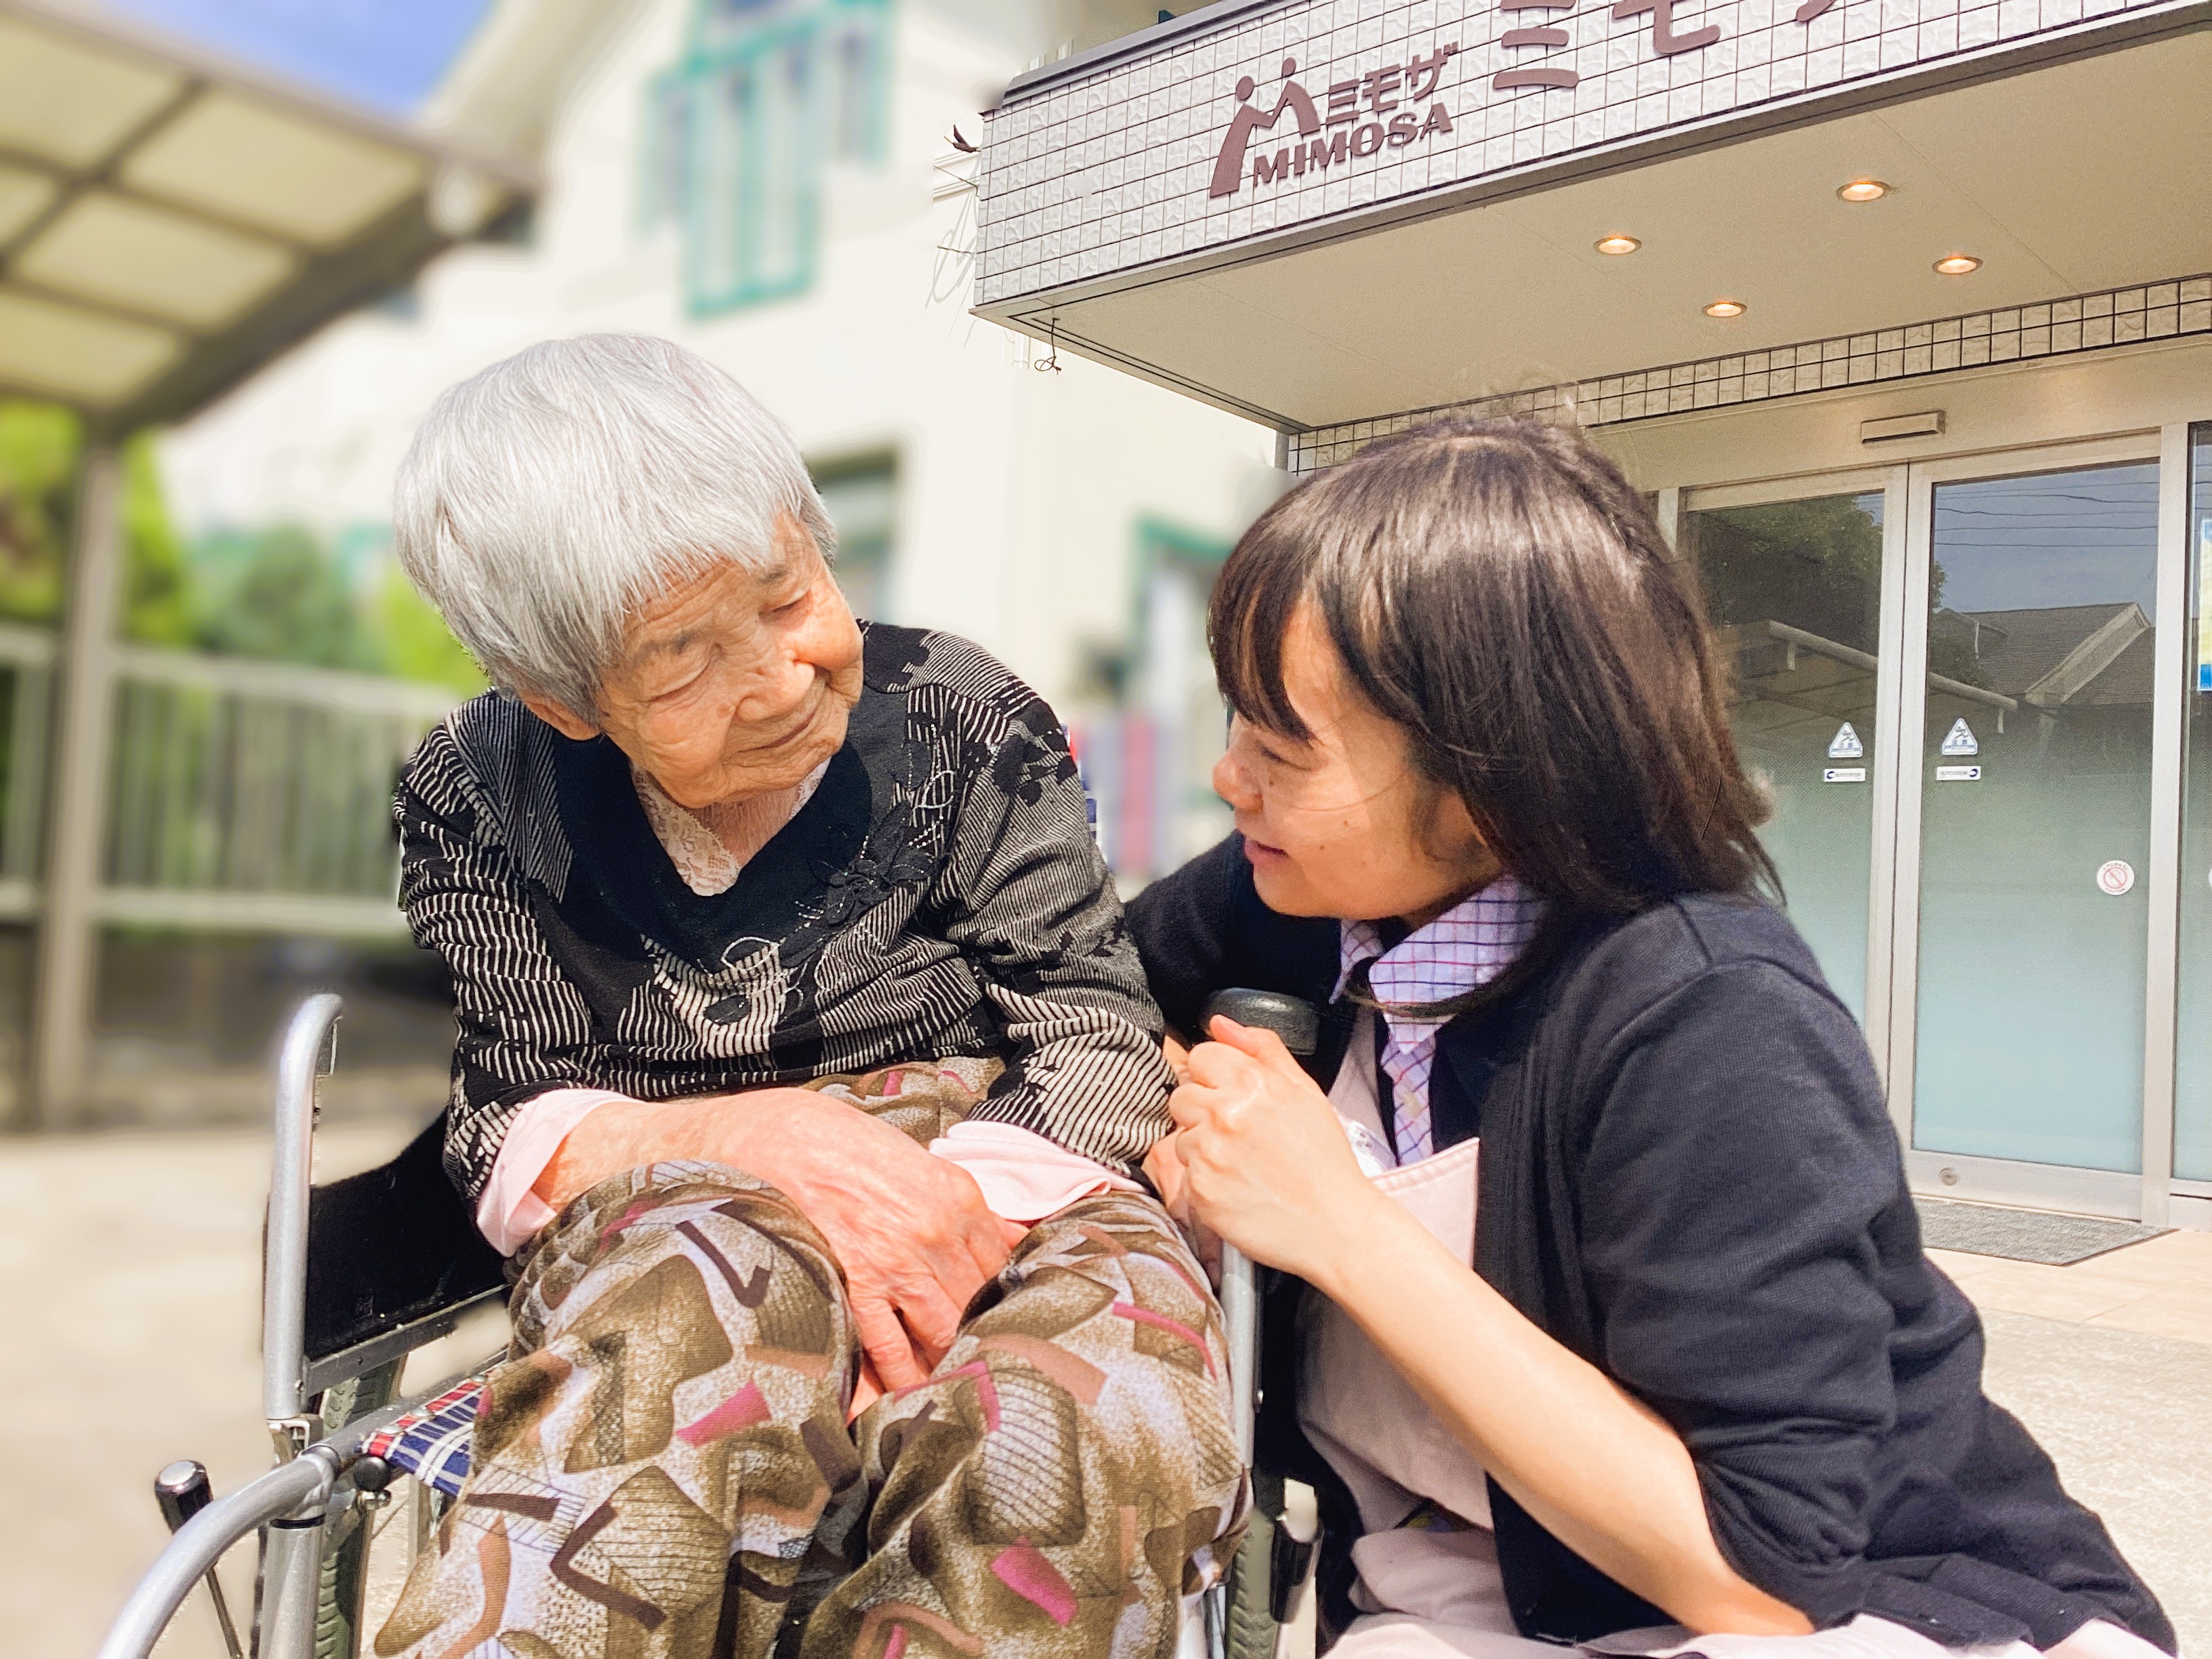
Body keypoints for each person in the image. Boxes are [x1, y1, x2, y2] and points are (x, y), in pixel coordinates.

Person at [1128, 417, 2174, 1659]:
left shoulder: (1705, 1019)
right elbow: (1068, 990)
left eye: (1279, 741)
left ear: (1491, 775)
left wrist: (1341, 1230)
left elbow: (1772, 1578)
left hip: (1891, 1614)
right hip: (1488, 1601)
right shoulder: (1299, 903)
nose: (1229, 775)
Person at [371, 334, 1240, 1659]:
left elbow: (1094, 1026)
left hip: (1008, 1164)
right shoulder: (479, 792)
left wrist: (931, 1215)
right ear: (561, 699)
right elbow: (512, 1116)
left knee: (1066, 1430)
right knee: (688, 1320)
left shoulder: (960, 714)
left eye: (786, 596)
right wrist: (764, 1147)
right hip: (668, 1196)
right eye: (678, 660)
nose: (778, 679)